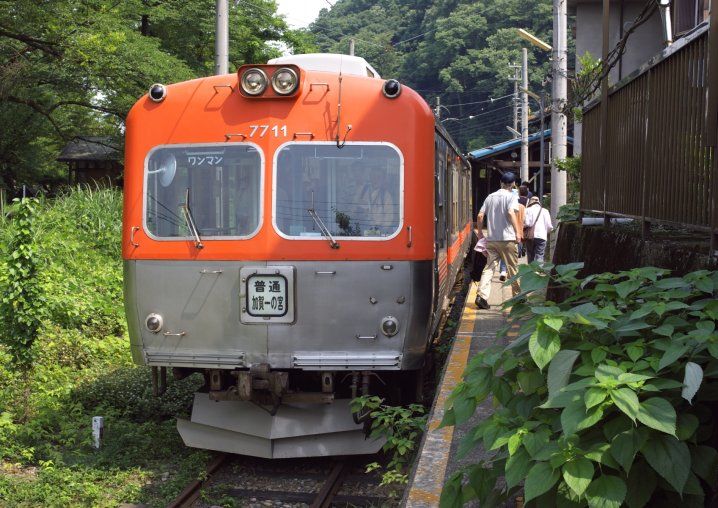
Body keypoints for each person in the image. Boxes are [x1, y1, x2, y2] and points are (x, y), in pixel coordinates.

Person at [475, 172, 523, 309]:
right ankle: (518, 298)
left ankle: (482, 296)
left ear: (501, 183)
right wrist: (517, 232)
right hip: (507, 239)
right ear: (513, 184)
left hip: (492, 239)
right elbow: (510, 212)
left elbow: (480, 216)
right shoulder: (511, 197)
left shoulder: (490, 197)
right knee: (512, 268)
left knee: (489, 268)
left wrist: (479, 234)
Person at [524, 196, 553, 263]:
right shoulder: (545, 211)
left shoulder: (527, 210)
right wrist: (546, 232)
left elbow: (527, 223)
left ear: (530, 203)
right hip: (542, 236)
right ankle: (538, 271)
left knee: (530, 255)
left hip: (530, 236)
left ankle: (531, 271)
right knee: (539, 255)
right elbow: (549, 226)